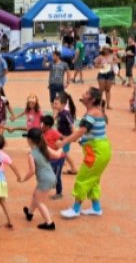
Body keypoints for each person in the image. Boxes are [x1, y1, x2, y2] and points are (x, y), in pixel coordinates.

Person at [59, 87, 112, 219]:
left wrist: (63, 142)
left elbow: (80, 132)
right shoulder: (95, 112)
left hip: (96, 152)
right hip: (100, 150)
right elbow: (87, 134)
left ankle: (76, 209)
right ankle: (96, 207)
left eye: (87, 93)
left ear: (92, 99)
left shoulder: (92, 114)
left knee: (82, 178)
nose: (83, 93)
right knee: (93, 179)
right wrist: (82, 140)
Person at [18, 128, 58, 230]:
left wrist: (23, 179)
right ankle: (29, 213)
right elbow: (56, 154)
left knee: (39, 202)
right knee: (35, 195)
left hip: (45, 180)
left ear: (30, 140)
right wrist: (62, 146)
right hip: (51, 177)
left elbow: (31, 171)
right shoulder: (44, 148)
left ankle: (49, 223)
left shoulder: (31, 155)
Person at [0, 134, 20, 230]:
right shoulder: (4, 155)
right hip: (1, 181)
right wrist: (18, 177)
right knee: (2, 201)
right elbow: (13, 166)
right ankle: (10, 220)